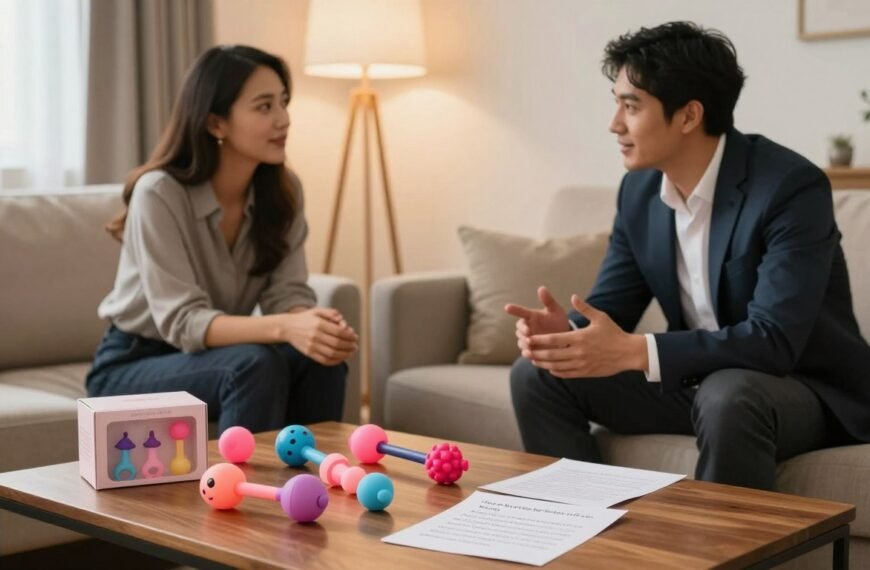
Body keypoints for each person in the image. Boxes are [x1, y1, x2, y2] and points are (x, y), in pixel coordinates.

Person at [506, 22, 870, 490]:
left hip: (802, 390)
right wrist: (568, 337)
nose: (614, 123)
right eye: (617, 103)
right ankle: (582, 534)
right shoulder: (638, 192)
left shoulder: (789, 188)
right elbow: (611, 309)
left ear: (688, 115)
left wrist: (637, 350)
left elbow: (773, 340)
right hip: (698, 383)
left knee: (729, 394)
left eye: (631, 106)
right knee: (540, 374)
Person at [87, 45, 358, 434]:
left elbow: (286, 295)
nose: (283, 119)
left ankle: (315, 489)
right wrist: (285, 328)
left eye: (283, 102)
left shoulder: (283, 192)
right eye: (264, 107)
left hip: (220, 354)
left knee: (318, 357)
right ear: (216, 124)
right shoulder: (159, 194)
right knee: (253, 363)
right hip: (132, 364)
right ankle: (239, 495)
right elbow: (183, 322)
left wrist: (313, 325)